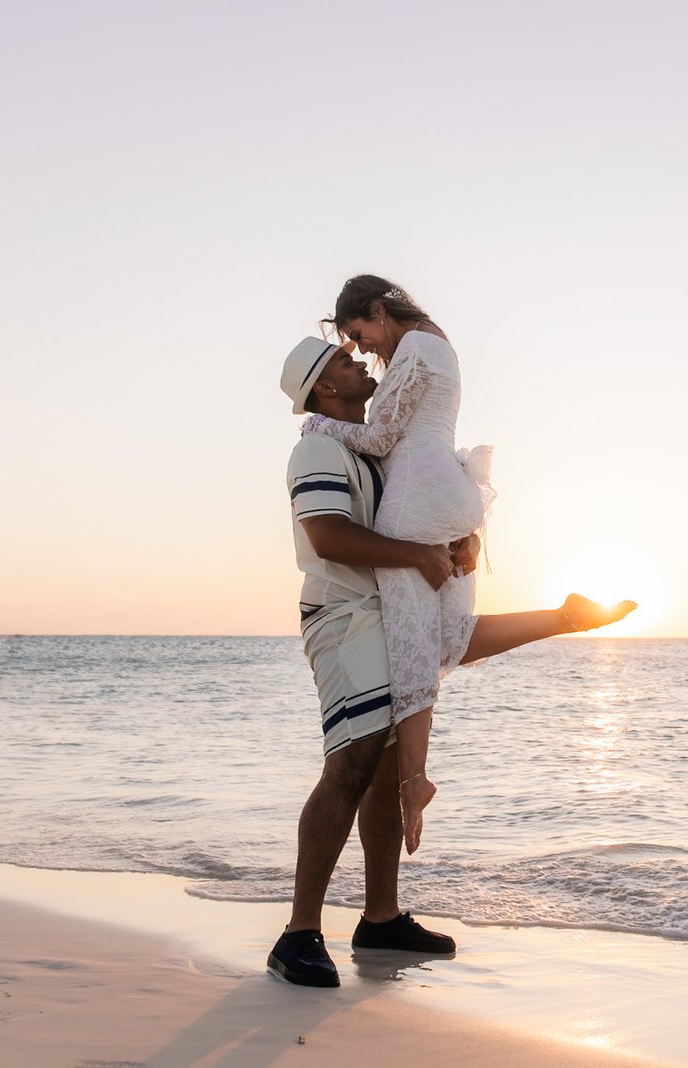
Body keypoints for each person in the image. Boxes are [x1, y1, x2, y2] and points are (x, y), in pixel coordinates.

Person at [270, 336, 634, 988]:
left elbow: (417, 523)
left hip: (386, 612)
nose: (361, 363)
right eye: (345, 362)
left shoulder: (376, 449)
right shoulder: (318, 450)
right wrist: (417, 555)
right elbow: (327, 535)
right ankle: (297, 935)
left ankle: (381, 919)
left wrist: (459, 536)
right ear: (323, 387)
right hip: (344, 617)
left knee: (384, 771)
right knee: (352, 763)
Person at [300, 276, 484, 855]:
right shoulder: (438, 345)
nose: (365, 349)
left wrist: (318, 424)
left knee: (410, 647)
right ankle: (564, 618)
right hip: (450, 491)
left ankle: (413, 780)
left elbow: (380, 438)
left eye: (360, 333)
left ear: (379, 311)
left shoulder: (415, 348)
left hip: (416, 503)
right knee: (445, 637)